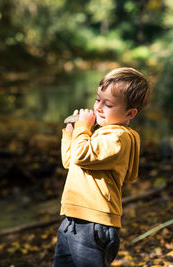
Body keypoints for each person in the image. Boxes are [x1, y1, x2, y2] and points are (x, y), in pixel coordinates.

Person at [53, 67, 151, 267]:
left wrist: (83, 128)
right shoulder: (100, 134)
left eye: (108, 104)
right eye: (98, 100)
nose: (98, 108)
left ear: (129, 113)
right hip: (73, 218)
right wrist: (71, 133)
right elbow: (71, 161)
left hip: (94, 223)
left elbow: (81, 156)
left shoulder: (117, 137)